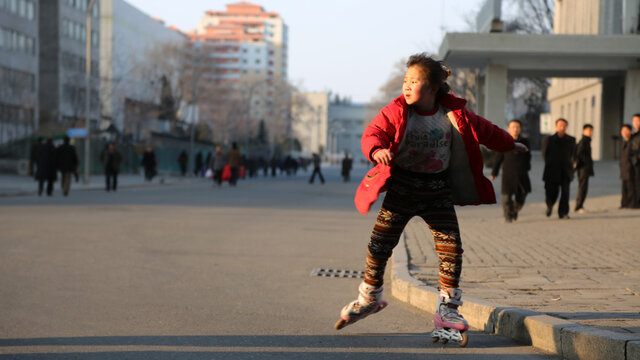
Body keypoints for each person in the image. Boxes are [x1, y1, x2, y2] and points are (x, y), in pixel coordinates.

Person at [334, 53, 528, 346]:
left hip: (437, 190)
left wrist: (509, 144)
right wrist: (376, 151)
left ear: (434, 87)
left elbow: (486, 130)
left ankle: (448, 309)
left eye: (415, 81)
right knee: (380, 243)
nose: (407, 86)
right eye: (405, 80)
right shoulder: (396, 110)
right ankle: (369, 296)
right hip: (402, 188)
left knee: (451, 248)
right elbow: (373, 133)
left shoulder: (454, 114)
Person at [490, 119, 531, 222]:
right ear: (508, 129)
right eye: (513, 127)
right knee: (506, 198)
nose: (515, 129)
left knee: (522, 194)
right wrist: (494, 172)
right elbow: (498, 158)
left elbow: (528, 156)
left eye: (517, 127)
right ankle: (508, 216)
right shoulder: (504, 141)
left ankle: (515, 209)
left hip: (522, 173)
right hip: (508, 173)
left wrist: (527, 167)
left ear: (520, 129)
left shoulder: (525, 142)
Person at [542, 118, 576, 219]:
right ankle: (550, 205)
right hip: (552, 171)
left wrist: (572, 164)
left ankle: (563, 212)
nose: (562, 127)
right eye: (560, 125)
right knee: (551, 192)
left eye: (564, 126)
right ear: (556, 127)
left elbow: (573, 154)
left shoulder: (571, 140)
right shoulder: (548, 140)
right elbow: (544, 154)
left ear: (566, 127)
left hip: (566, 171)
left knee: (565, 192)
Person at [574, 124, 594, 213]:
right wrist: (585, 162)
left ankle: (580, 205)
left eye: (591, 130)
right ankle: (578, 206)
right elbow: (579, 154)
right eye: (588, 130)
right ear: (583, 131)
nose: (590, 132)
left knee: (583, 187)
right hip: (583, 168)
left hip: (584, 168)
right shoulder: (583, 141)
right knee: (582, 187)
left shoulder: (587, 141)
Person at [620, 124, 636, 208]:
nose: (624, 133)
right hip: (623, 168)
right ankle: (624, 203)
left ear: (630, 131)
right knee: (624, 186)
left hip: (630, 168)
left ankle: (632, 203)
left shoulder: (632, 142)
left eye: (626, 131)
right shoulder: (623, 143)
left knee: (630, 187)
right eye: (623, 131)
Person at [630, 114, 640, 207]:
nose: (636, 123)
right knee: (635, 182)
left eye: (638, 120)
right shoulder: (632, 135)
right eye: (634, 121)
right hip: (633, 161)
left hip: (638, 161)